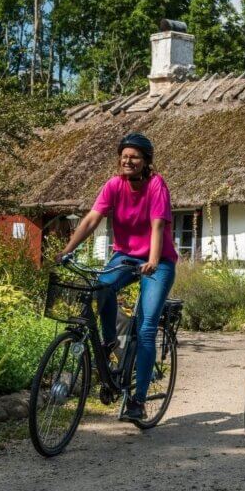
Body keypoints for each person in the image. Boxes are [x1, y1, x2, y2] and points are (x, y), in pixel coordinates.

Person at [56, 132, 178, 421]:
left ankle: (138, 400)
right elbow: (91, 219)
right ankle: (110, 340)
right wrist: (67, 250)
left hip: (158, 261)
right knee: (102, 287)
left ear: (146, 161)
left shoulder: (156, 185)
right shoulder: (113, 185)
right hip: (125, 256)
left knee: (146, 328)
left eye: (134, 156)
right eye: (124, 156)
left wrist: (153, 260)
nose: (128, 160)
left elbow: (158, 225)